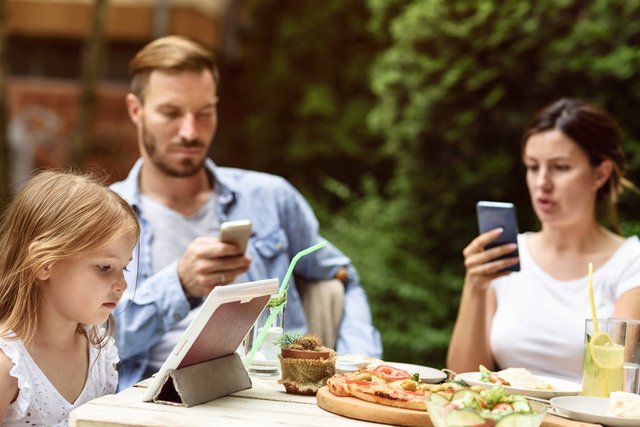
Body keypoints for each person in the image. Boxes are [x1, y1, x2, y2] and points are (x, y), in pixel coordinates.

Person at [110, 35, 382, 390]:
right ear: (136, 110)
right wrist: (179, 284)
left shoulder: (270, 197)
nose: (190, 132)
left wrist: (358, 360)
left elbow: (344, 277)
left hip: (271, 396)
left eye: (204, 113)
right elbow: (97, 342)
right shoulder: (105, 216)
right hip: (153, 399)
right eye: (171, 113)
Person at [447, 98, 640, 382]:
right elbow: (461, 377)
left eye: (560, 167)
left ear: (600, 173)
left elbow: (614, 388)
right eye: (533, 167)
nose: (542, 183)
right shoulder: (508, 255)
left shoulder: (629, 263)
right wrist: (475, 286)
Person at [0, 170, 140, 426]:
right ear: (44, 264)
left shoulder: (99, 351)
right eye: (104, 267)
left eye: (125, 267)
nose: (122, 285)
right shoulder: (8, 365)